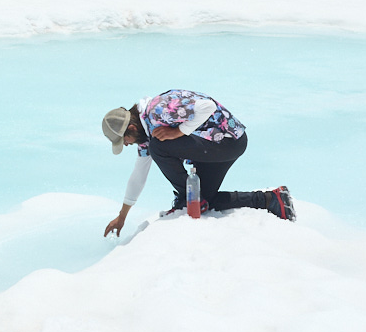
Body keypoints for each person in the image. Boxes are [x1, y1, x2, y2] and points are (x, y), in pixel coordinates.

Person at [101, 91, 294, 237]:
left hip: (228, 141)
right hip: (213, 145)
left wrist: (178, 132)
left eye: (124, 140)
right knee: (202, 201)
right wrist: (122, 216)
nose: (126, 145)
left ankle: (187, 197)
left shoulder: (158, 110)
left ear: (132, 128)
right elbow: (138, 175)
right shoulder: (144, 133)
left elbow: (207, 107)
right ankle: (271, 200)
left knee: (159, 147)